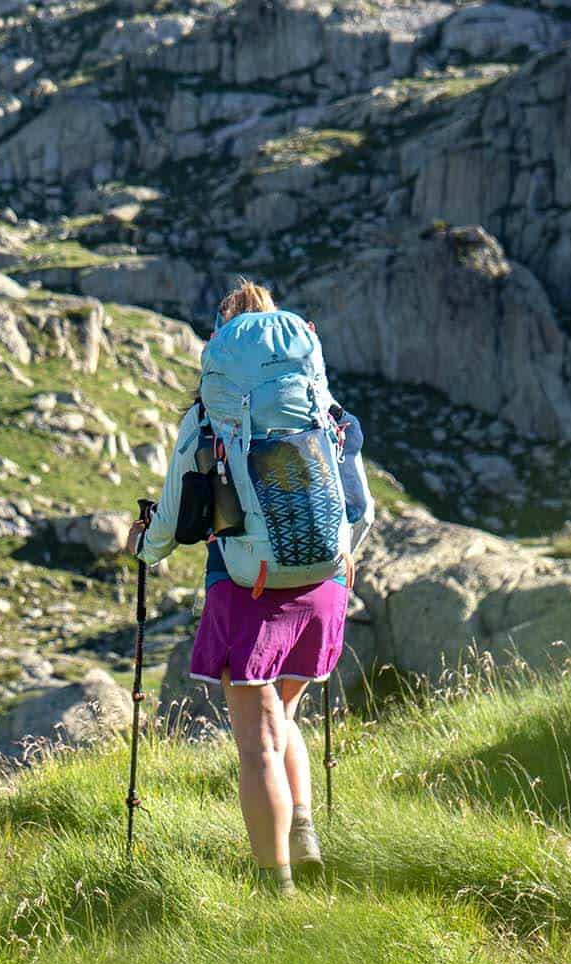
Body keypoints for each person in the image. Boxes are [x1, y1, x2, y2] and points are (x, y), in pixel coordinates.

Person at [131, 281, 373, 895]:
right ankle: (303, 832)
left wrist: (144, 548)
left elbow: (171, 511)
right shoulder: (327, 413)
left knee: (257, 744)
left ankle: (276, 887)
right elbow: (361, 508)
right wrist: (330, 564)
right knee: (283, 718)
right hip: (322, 583)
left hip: (247, 588)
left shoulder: (211, 418)